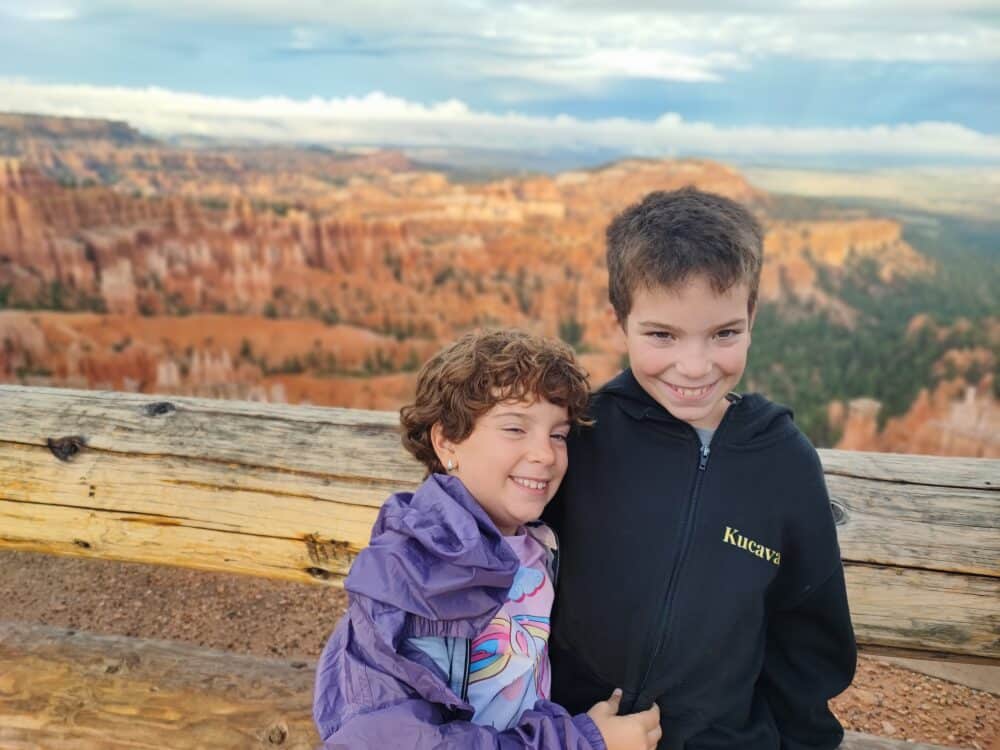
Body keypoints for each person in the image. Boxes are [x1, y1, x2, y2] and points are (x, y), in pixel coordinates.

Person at [543, 188, 857, 749]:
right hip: (581, 733)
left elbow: (808, 639)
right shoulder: (582, 436)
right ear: (621, 320)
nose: (694, 366)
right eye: (662, 335)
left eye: (724, 334)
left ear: (752, 315)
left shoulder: (784, 463)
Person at [313, 329, 662, 750]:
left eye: (558, 434)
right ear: (447, 442)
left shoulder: (536, 545)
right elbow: (392, 739)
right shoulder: (413, 571)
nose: (545, 454)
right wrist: (582, 741)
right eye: (515, 428)